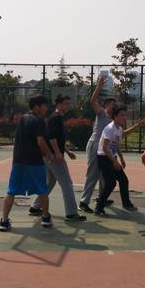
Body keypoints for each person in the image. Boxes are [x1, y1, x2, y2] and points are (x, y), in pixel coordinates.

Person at [79, 75, 145, 213]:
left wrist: (137, 126)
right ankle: (83, 202)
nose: (114, 106)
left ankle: (101, 198)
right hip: (96, 145)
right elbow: (92, 101)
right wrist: (99, 86)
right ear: (106, 105)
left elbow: (121, 135)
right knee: (93, 174)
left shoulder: (114, 122)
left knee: (104, 176)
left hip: (105, 149)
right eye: (112, 104)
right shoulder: (101, 113)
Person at [0, 94, 54, 232]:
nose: (46, 108)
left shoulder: (22, 119)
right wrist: (49, 154)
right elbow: (40, 141)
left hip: (19, 160)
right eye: (44, 106)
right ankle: (46, 218)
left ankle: (4, 221)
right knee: (42, 190)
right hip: (35, 161)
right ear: (37, 107)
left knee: (11, 191)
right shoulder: (39, 121)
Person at [30, 94, 87, 222]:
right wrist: (57, 153)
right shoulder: (55, 118)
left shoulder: (57, 118)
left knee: (50, 182)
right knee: (67, 183)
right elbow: (51, 137)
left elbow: (57, 138)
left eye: (68, 104)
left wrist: (67, 151)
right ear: (59, 104)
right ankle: (71, 213)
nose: (68, 106)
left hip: (49, 156)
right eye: (66, 103)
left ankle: (35, 207)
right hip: (53, 157)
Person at [95, 104, 137, 216]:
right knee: (110, 184)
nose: (124, 117)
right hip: (104, 158)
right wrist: (114, 162)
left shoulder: (119, 129)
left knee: (123, 180)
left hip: (111, 157)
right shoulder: (110, 128)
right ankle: (98, 209)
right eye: (121, 115)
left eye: (125, 115)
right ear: (115, 116)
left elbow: (116, 145)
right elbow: (104, 148)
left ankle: (126, 204)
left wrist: (121, 159)